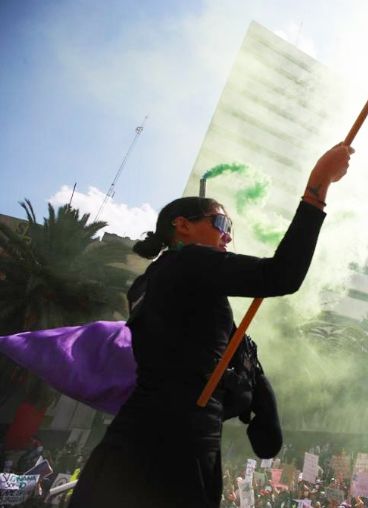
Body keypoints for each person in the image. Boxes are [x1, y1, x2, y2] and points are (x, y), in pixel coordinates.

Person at [68, 143, 353, 508]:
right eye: (221, 223)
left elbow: (205, 356)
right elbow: (281, 275)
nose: (228, 235)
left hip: (143, 437)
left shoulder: (152, 282)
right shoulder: (186, 264)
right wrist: (317, 187)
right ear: (182, 226)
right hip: (174, 450)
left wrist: (255, 393)